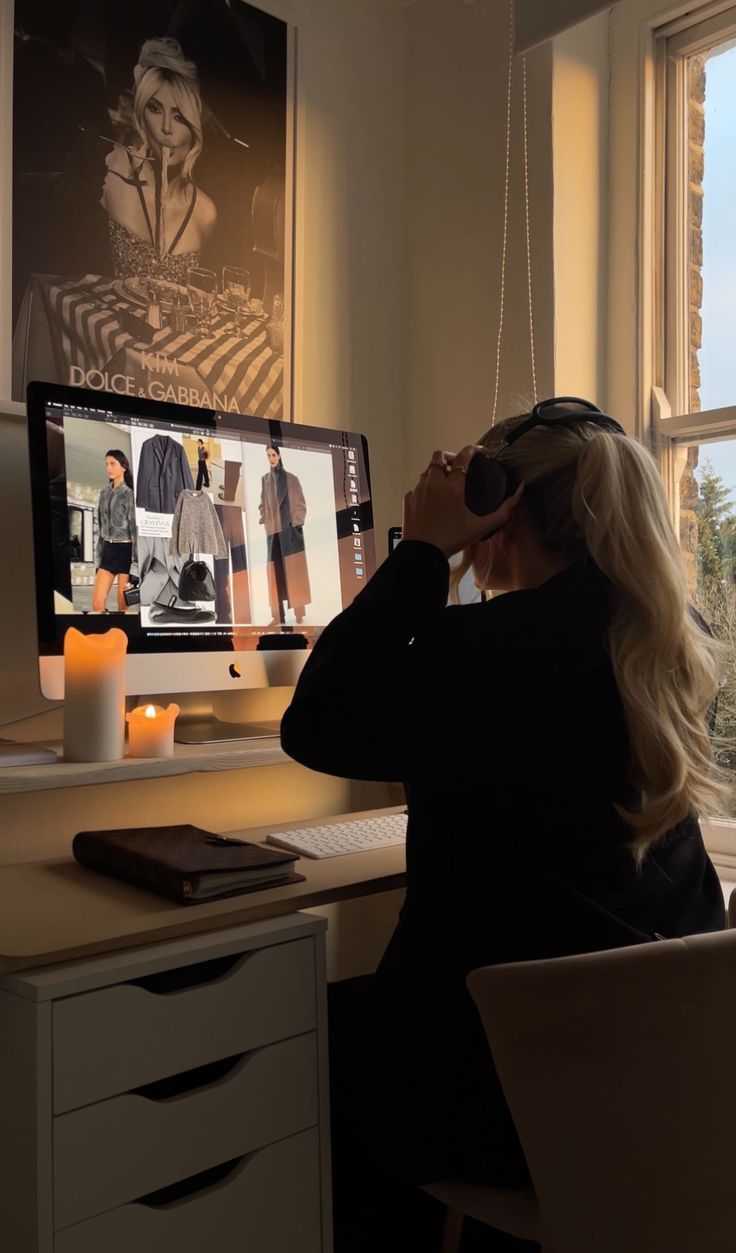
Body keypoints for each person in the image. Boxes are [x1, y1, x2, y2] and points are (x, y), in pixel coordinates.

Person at [280, 399, 729, 1253]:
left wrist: (421, 551)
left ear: (498, 505)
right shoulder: (675, 643)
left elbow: (316, 723)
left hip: (517, 1106)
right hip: (669, 1093)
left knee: (307, 1035)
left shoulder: (478, 651)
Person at [101, 37, 217, 283]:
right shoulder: (110, 171)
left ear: (194, 125)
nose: (166, 128)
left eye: (179, 116)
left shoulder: (204, 212)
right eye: (154, 109)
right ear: (141, 115)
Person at [258, 444, 311, 626]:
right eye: (268, 455)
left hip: (289, 534)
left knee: (294, 572)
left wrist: (295, 524)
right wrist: (264, 518)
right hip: (273, 535)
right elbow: (262, 503)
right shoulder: (265, 479)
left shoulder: (291, 479)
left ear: (279, 456)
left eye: (273, 454)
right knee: (275, 574)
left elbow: (301, 505)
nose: (271, 458)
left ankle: (298, 613)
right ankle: (277, 615)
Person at [92, 450, 136, 613]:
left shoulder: (130, 495)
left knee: (123, 607)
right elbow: (101, 530)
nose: (108, 468)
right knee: (97, 605)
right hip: (108, 552)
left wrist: (135, 567)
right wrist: (98, 559)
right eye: (107, 464)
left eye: (113, 464)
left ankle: (120, 636)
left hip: (125, 553)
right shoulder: (103, 493)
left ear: (123, 466)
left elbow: (135, 532)